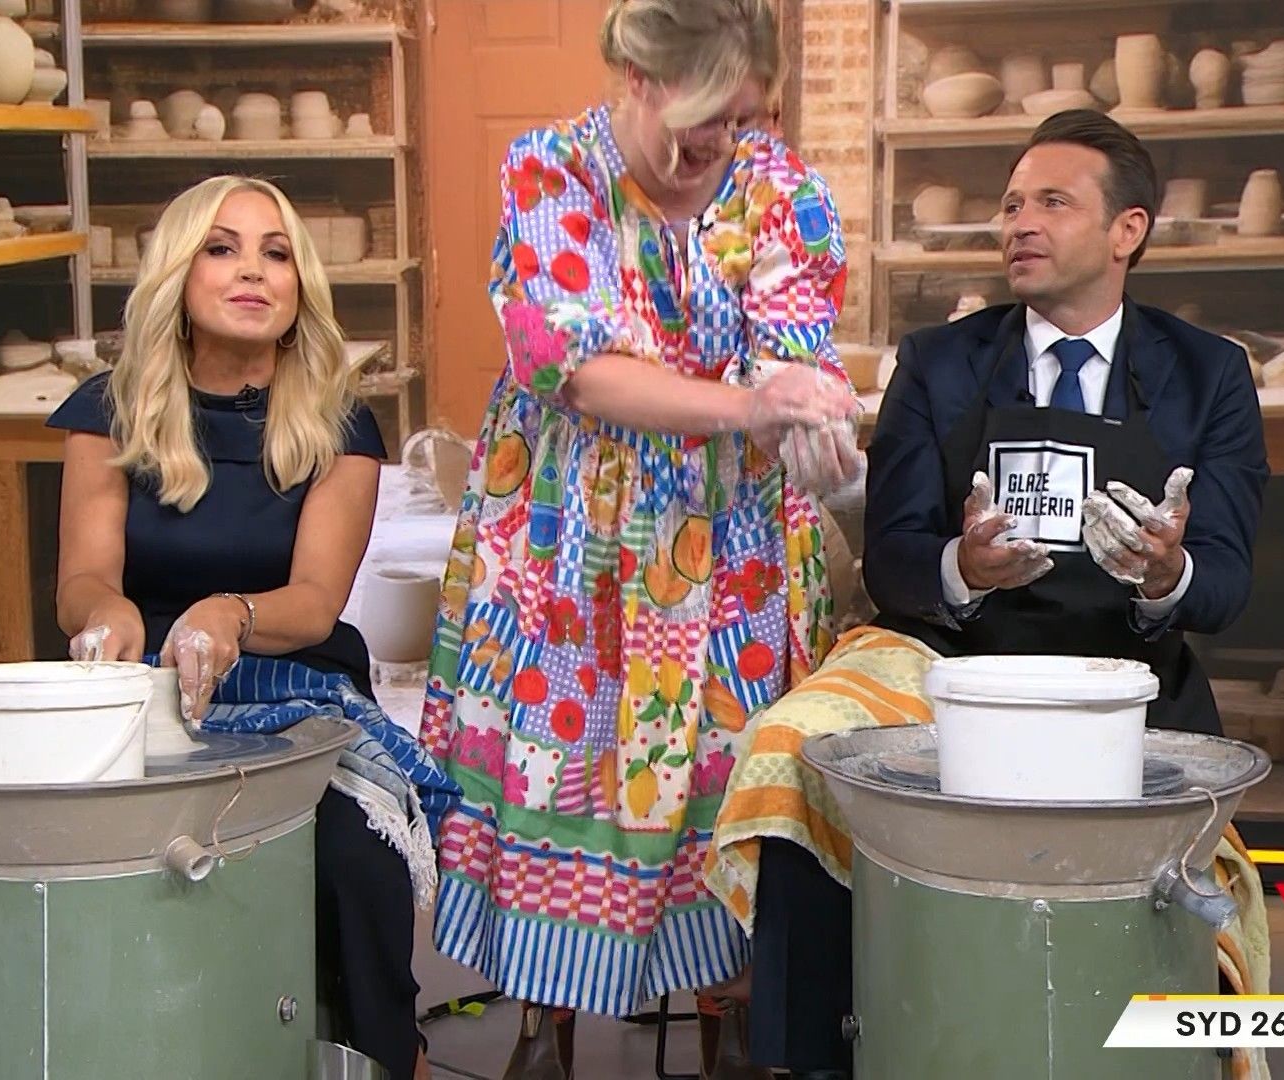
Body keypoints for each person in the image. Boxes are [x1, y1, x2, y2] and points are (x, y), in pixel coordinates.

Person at [0, 176, 443, 1080]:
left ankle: (388, 1053)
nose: (252, 271)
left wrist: (232, 614)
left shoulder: (339, 424)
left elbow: (312, 599)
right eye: (222, 248)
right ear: (178, 275)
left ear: (301, 288)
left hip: (284, 665)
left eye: (276, 254)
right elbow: (84, 581)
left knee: (353, 851)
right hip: (133, 671)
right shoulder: (112, 408)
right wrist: (107, 614)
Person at [730, 109, 1271, 1076]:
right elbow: (894, 558)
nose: (1019, 222)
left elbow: (1224, 582)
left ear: (1128, 230)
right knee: (796, 743)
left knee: (1170, 856)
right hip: (946, 658)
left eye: (1052, 203)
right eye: (1013, 203)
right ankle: (811, 1057)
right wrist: (962, 569)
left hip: (1122, 669)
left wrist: (1165, 573)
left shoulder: (1210, 374)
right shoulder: (938, 363)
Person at [416, 0, 859, 1076]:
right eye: (708, 115)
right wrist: (752, 408)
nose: (725, 142)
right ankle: (547, 1024)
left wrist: (811, 411)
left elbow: (792, 342)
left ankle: (734, 1019)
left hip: (736, 547)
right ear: (638, 76)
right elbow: (579, 372)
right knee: (561, 759)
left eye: (747, 117)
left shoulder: (778, 187)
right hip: (573, 536)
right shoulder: (553, 172)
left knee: (730, 771)